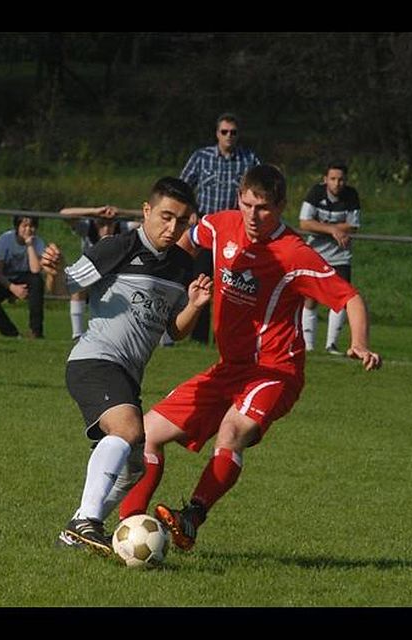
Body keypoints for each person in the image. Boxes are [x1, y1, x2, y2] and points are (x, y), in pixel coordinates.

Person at [117, 165, 381, 552]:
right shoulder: (221, 225)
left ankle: (192, 515)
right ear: (238, 198)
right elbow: (188, 241)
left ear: (282, 206)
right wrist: (166, 278)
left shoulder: (294, 253)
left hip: (275, 371)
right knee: (144, 435)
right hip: (229, 368)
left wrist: (359, 341)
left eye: (264, 209)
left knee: (231, 431)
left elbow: (350, 298)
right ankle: (127, 527)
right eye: (247, 205)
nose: (253, 217)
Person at [38, 178, 212, 554]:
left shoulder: (183, 265)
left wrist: (195, 306)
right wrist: (52, 271)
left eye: (182, 222)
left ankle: (75, 533)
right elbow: (63, 290)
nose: (172, 229)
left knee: (135, 467)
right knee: (129, 430)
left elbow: (175, 332)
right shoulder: (117, 247)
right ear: (146, 211)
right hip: (94, 360)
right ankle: (85, 520)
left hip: (128, 374)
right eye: (165, 217)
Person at [179, 112, 261, 344]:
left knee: (233, 287)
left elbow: (261, 189)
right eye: (224, 132)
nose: (228, 136)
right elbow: (183, 186)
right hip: (206, 229)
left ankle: (227, 337)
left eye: (233, 132)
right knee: (203, 281)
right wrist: (191, 209)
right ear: (217, 133)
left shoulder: (249, 159)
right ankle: (198, 338)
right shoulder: (201, 157)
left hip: (236, 231)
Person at [298, 162, 362, 354]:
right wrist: (331, 229)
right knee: (310, 297)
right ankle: (308, 345)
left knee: (341, 297)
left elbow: (354, 225)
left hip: (341, 255)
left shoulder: (351, 196)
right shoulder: (316, 193)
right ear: (325, 180)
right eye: (333, 179)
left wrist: (325, 227)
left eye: (341, 179)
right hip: (315, 253)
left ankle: (331, 344)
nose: (337, 183)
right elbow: (304, 223)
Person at [59, 205, 140, 341]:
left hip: (116, 277)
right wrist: (94, 211)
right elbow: (64, 214)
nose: (106, 229)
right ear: (95, 223)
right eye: (102, 224)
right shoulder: (87, 227)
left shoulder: (124, 228)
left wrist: (122, 211)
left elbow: (148, 220)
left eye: (110, 224)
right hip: (91, 275)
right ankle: (77, 335)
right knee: (78, 288)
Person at [0, 216, 46, 338]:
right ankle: (11, 333)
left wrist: (30, 245)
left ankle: (36, 332)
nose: (28, 230)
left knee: (37, 282)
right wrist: (13, 288)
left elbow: (36, 270)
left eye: (31, 226)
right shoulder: (4, 240)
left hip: (25, 276)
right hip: (4, 277)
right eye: (24, 226)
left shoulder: (38, 242)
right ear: (17, 227)